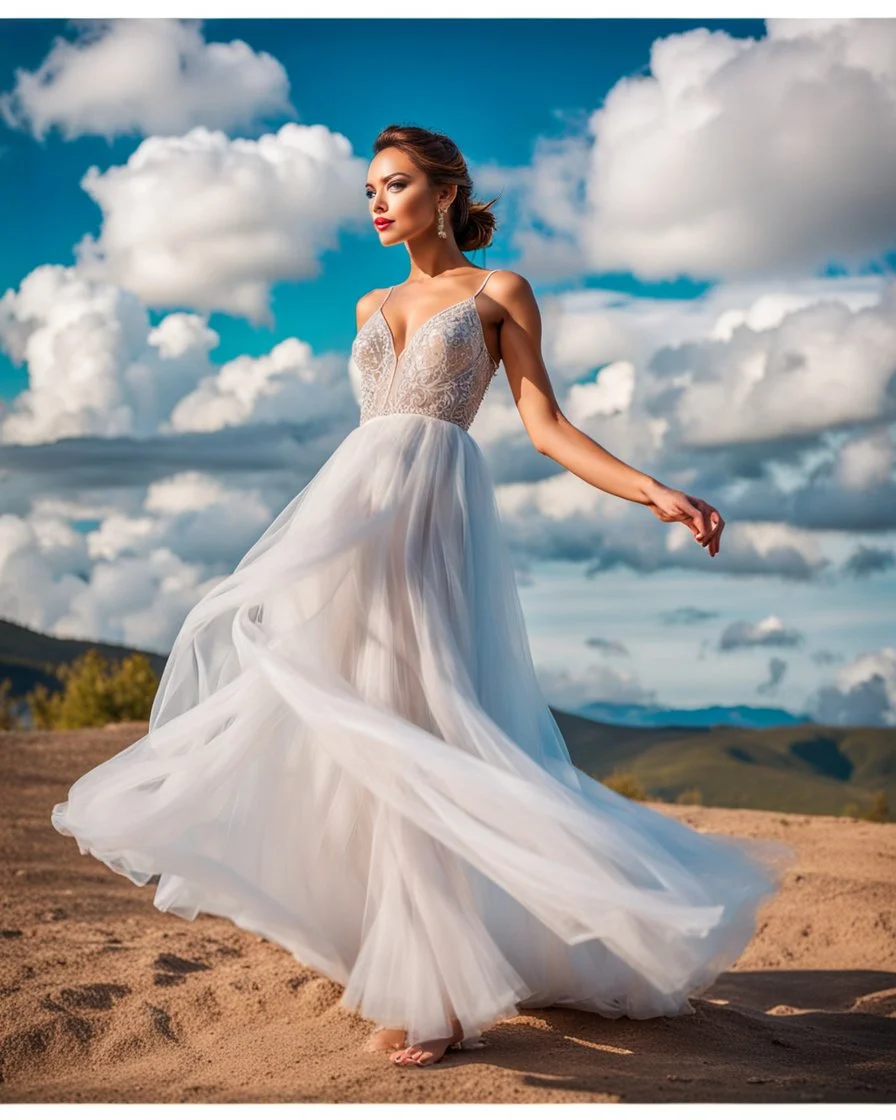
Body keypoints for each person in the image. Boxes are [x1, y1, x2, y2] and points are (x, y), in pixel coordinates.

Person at [52, 123, 795, 1071]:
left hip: (435, 524)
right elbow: (376, 426)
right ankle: (405, 961)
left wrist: (652, 488)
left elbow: (546, 422)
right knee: (350, 730)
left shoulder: (498, 291)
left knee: (427, 732)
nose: (375, 202)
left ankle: (435, 993)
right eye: (369, 188)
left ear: (445, 193)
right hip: (348, 522)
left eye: (394, 184)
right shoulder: (369, 299)